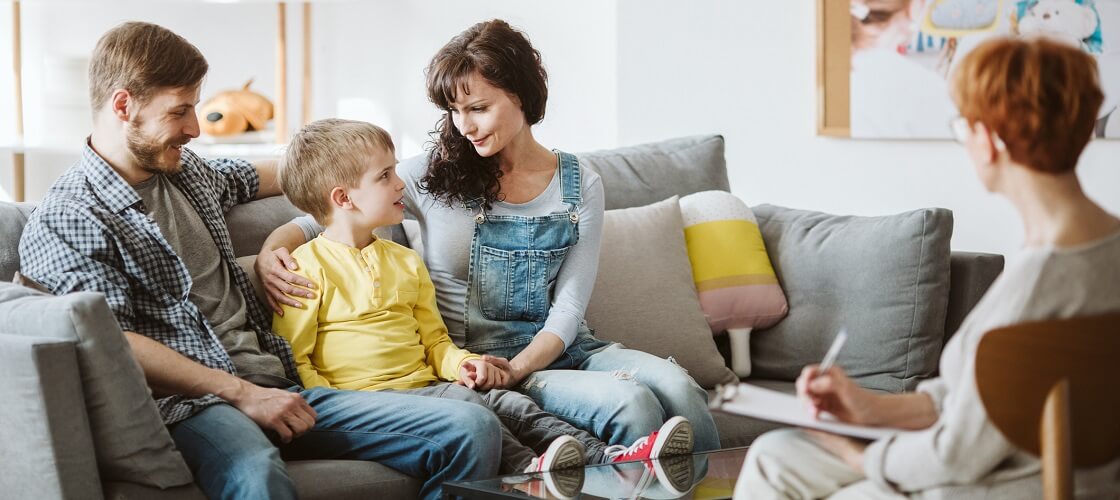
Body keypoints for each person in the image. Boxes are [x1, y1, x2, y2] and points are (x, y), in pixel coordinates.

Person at [17, 22, 503, 500]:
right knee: (255, 473)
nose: (193, 128)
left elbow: (295, 175)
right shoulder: (71, 217)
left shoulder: (189, 176)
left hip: (289, 385)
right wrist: (241, 393)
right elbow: (111, 342)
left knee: (472, 427)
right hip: (199, 406)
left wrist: (278, 242)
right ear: (124, 105)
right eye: (180, 111)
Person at [257, 18, 718, 459]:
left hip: (560, 350)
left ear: (521, 95)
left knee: (681, 388)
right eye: (455, 112)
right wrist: (270, 250)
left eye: (478, 108)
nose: (465, 127)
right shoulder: (431, 174)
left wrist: (519, 369)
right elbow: (333, 211)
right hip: (479, 361)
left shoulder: (581, 183)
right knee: (632, 404)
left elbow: (570, 308)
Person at [736, 36, 1120, 499]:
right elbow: (976, 403)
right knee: (776, 455)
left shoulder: (1038, 289)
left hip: (998, 484)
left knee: (788, 467)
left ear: (992, 139)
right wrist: (867, 407)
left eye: (965, 126)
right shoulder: (1094, 252)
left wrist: (857, 454)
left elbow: (957, 453)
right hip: (1055, 474)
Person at [273, 117, 694, 475]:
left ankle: (605, 459)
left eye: (395, 170)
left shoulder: (403, 261)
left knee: (512, 405)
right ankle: (533, 467)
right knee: (479, 412)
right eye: (385, 176)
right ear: (344, 198)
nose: (401, 181)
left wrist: (466, 363)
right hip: (368, 403)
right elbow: (297, 357)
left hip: (432, 385)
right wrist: (340, 404)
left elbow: (436, 343)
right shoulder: (305, 271)